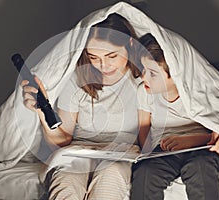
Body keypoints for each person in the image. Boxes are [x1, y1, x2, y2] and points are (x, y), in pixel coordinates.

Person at [22, 14, 142, 200]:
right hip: (78, 151)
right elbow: (62, 141)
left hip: (121, 154)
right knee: (67, 181)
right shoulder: (77, 79)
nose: (103, 65)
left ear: (131, 45)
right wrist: (42, 112)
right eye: (94, 57)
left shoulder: (144, 79)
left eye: (112, 55)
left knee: (111, 175)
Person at [130, 33, 219, 200]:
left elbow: (218, 133)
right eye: (144, 69)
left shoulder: (197, 93)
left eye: (152, 73)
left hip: (202, 149)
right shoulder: (144, 92)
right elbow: (144, 128)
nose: (143, 76)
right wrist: (147, 153)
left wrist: (191, 141)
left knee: (199, 168)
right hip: (165, 150)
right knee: (146, 173)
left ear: (175, 75)